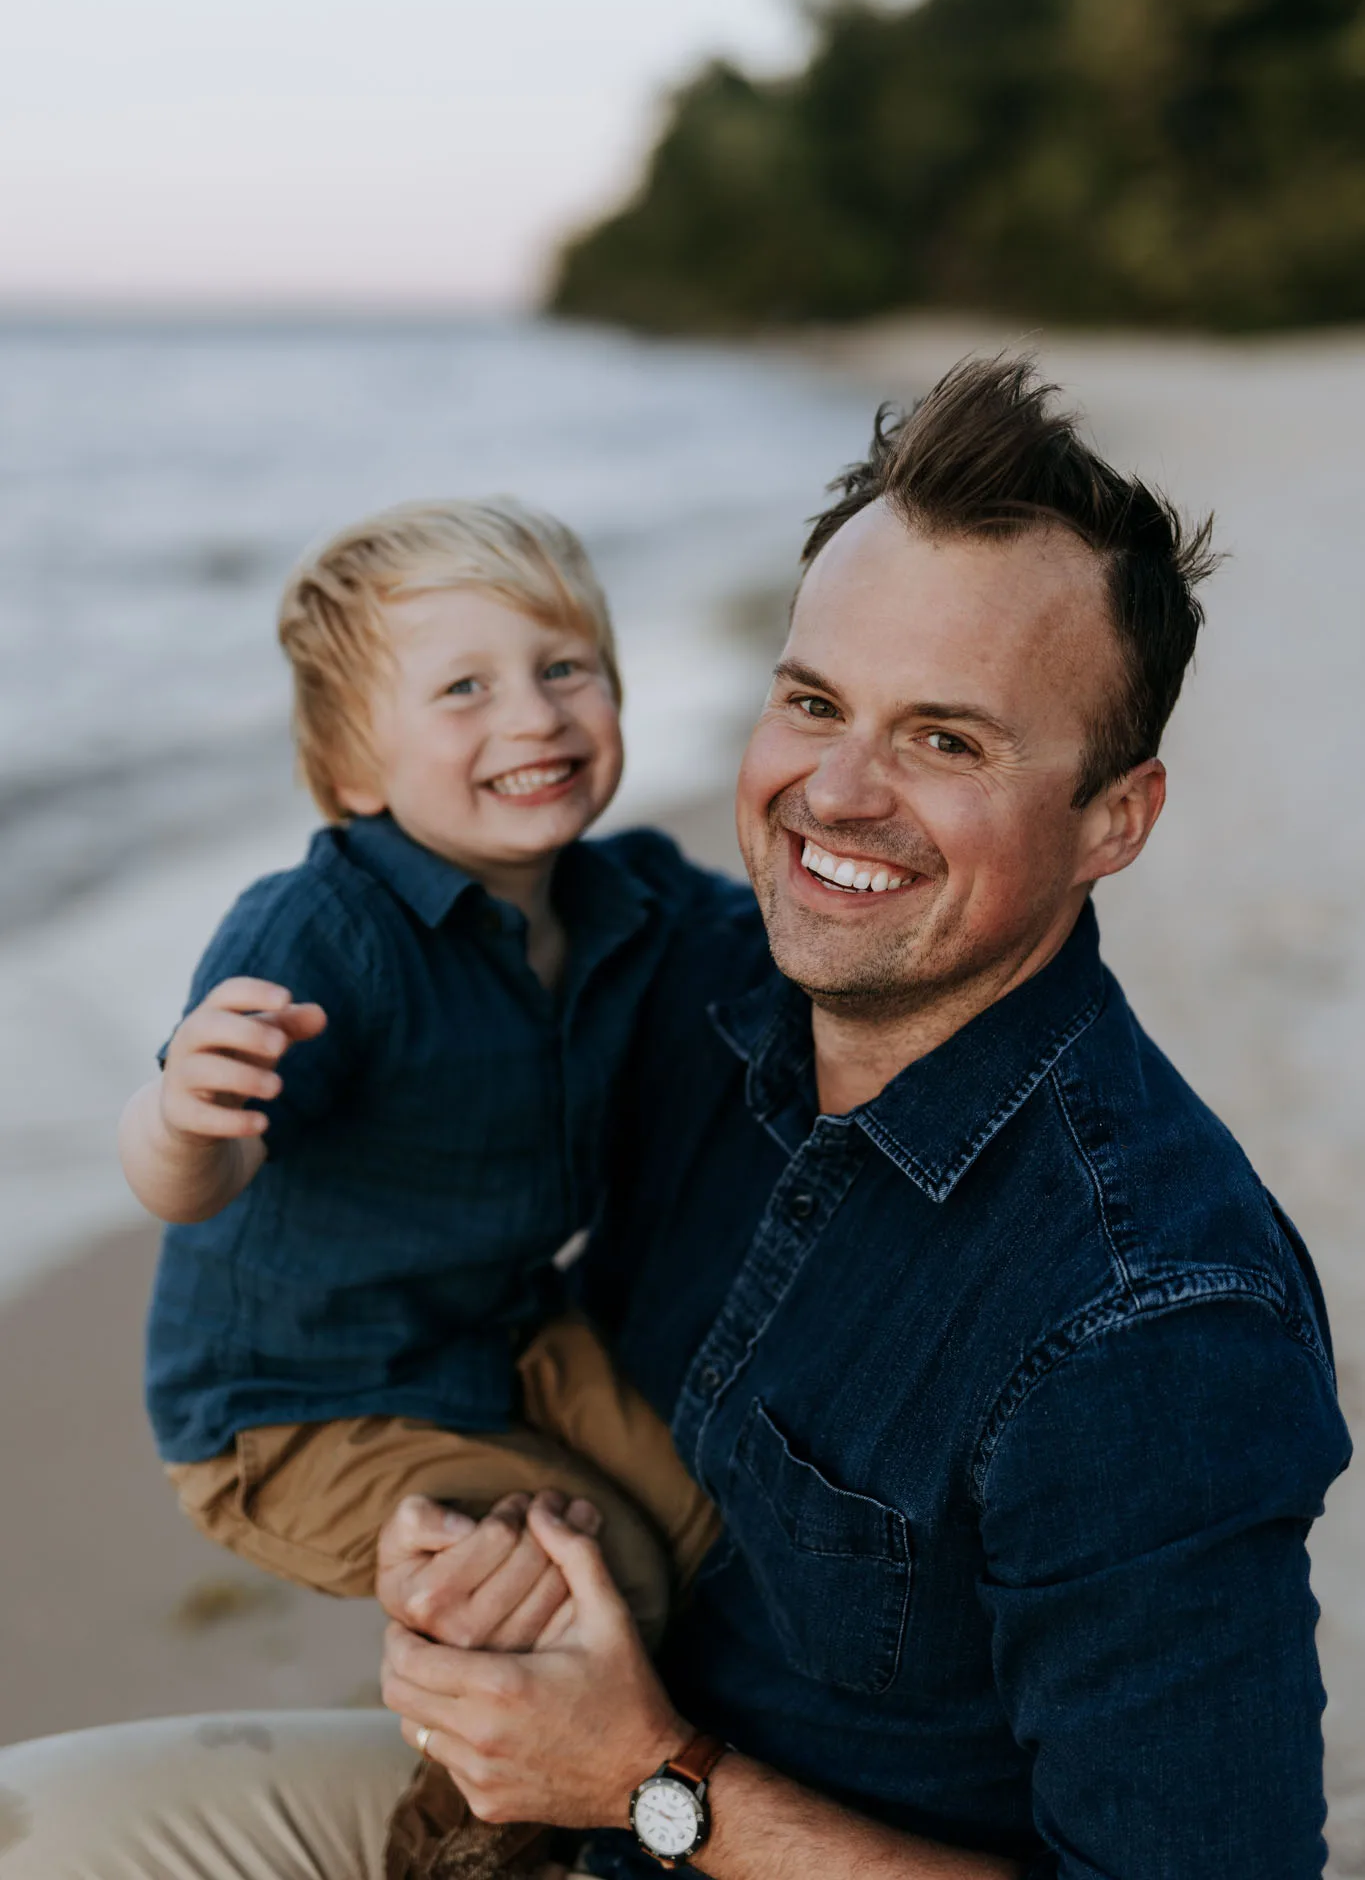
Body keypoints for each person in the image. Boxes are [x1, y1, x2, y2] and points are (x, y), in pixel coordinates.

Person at [1, 358, 1350, 1879]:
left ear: (1117, 817)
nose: (835, 793)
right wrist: (426, 1529)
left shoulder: (1146, 1323)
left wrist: (655, 1780)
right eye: (813, 701)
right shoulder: (686, 975)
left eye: (945, 740)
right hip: (554, 1818)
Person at [115, 497, 723, 1878]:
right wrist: (180, 1113)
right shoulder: (326, 931)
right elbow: (193, 1176)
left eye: (566, 667)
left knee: (704, 1512)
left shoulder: (627, 896)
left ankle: (665, 1784)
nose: (535, 712)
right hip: (292, 1400)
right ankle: (460, 1853)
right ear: (353, 770)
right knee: (588, 1568)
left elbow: (783, 966)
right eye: (464, 687)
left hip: (491, 1329)